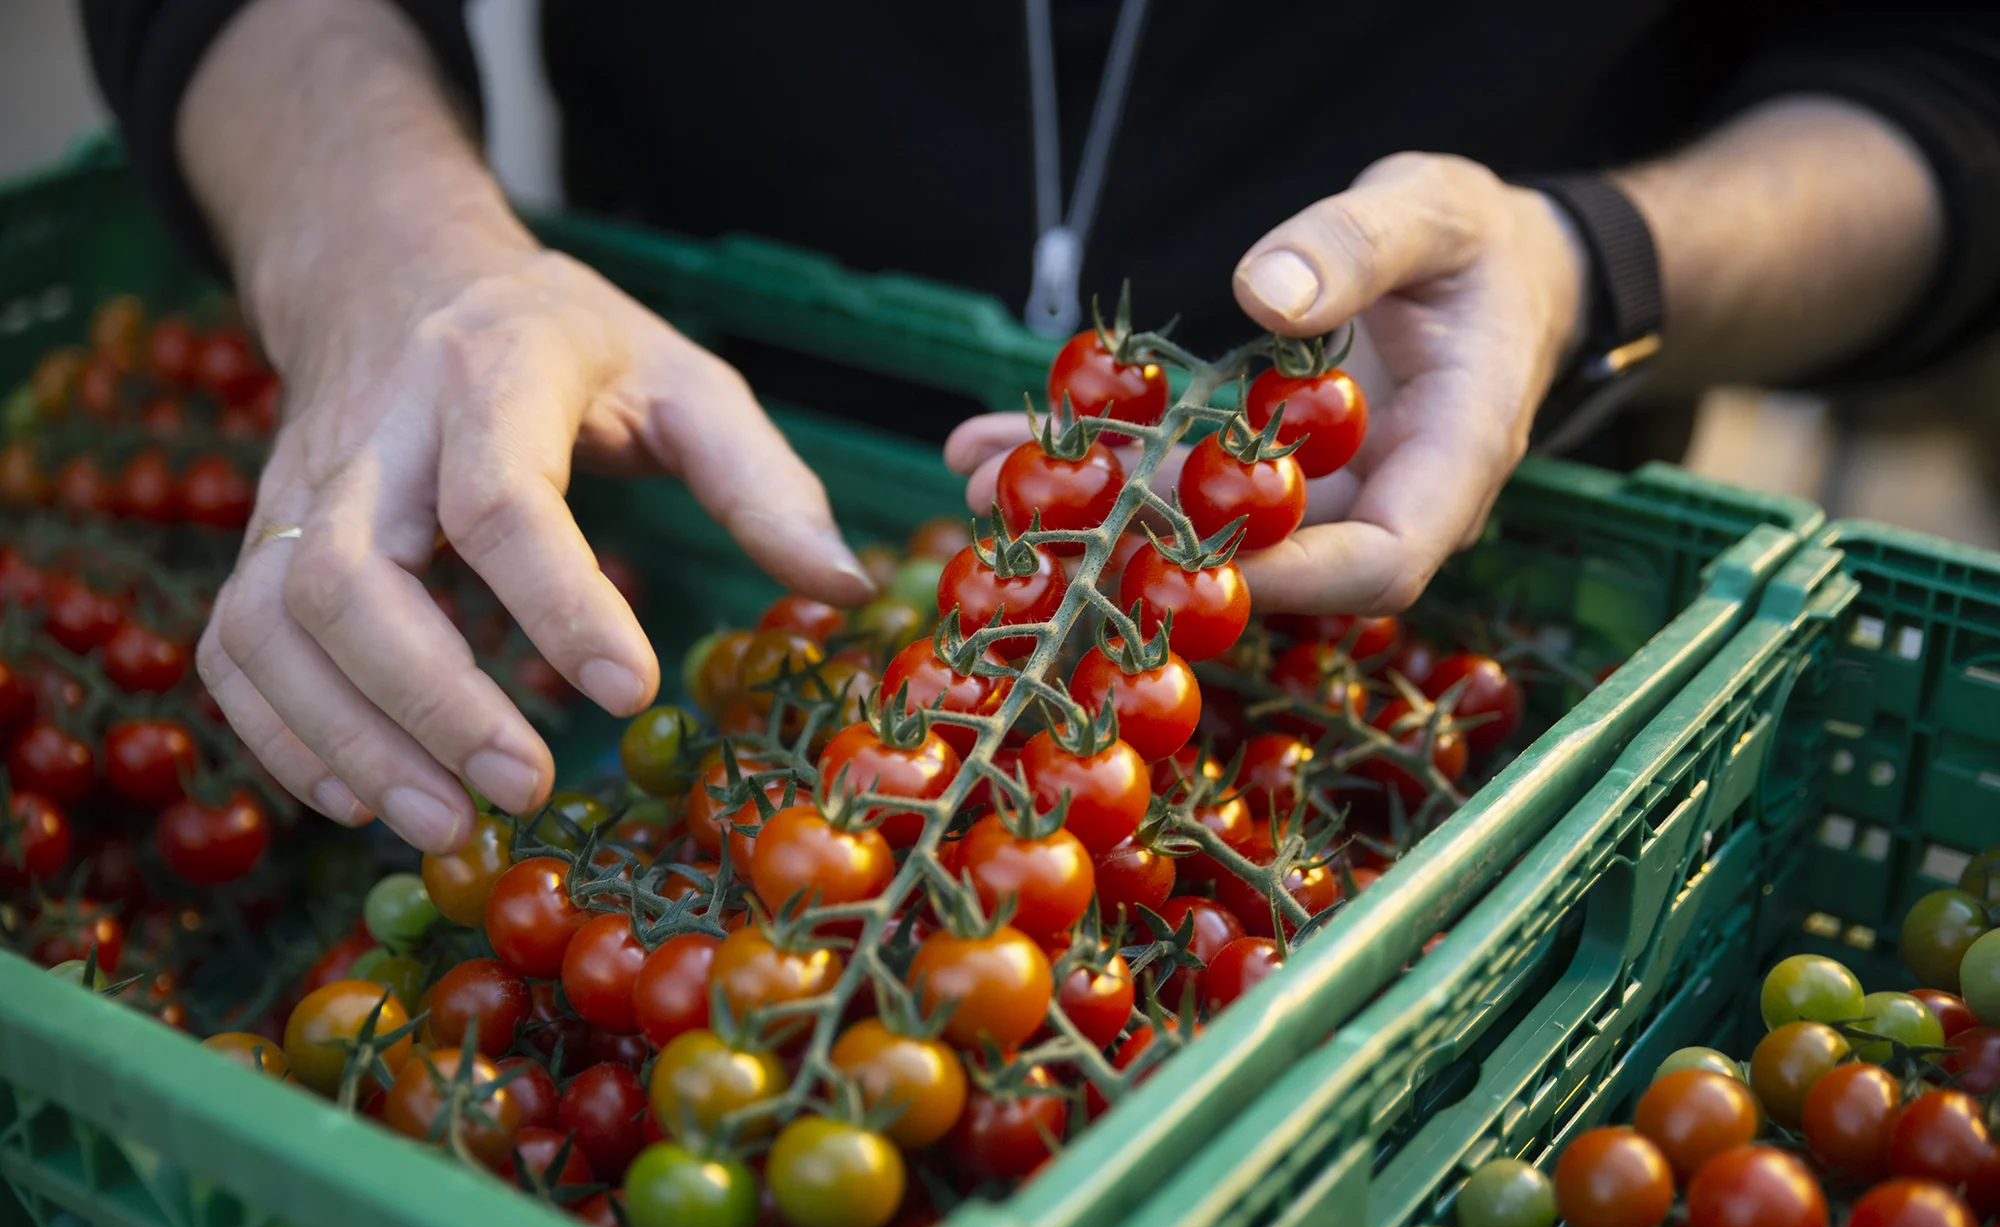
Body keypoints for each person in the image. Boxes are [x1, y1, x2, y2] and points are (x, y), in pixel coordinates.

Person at [82, 0, 2000, 855]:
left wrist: (1599, 263)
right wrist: (384, 243)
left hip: (1447, 554)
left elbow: (1947, 74)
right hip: (626, 484)